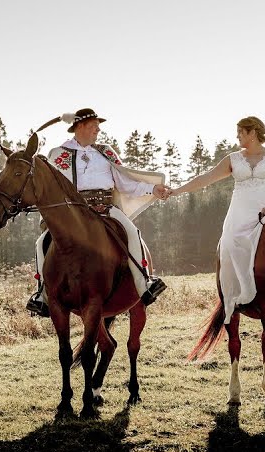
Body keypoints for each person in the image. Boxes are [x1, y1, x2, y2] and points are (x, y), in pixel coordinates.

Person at [169, 116, 265, 319]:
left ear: (252, 133)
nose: (237, 136)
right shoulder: (233, 159)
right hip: (240, 211)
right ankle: (236, 294)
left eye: (240, 132)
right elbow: (206, 178)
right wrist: (176, 191)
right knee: (228, 245)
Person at [26, 108, 170, 317]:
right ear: (81, 126)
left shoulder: (106, 152)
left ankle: (145, 283)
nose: (98, 130)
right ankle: (41, 295)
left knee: (133, 234)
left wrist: (152, 189)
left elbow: (125, 182)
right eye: (94, 125)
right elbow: (51, 188)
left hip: (106, 210)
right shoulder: (58, 155)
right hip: (73, 215)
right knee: (42, 242)